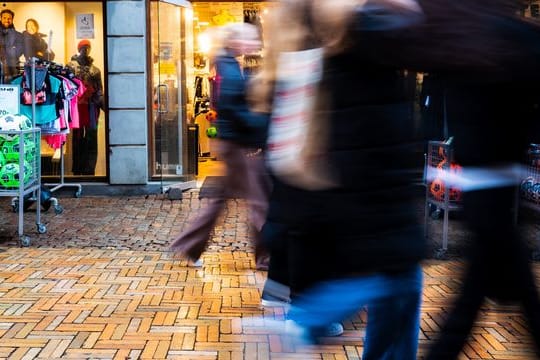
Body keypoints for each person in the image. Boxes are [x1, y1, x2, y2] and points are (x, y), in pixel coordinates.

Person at [251, 0, 426, 357]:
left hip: (344, 194)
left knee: (394, 282)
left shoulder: (302, 56)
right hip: (376, 188)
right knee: (398, 277)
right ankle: (306, 322)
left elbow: (286, 154)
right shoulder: (364, 34)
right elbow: (418, 30)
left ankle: (306, 320)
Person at [170, 23, 271, 270]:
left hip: (233, 141)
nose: (254, 43)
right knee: (259, 200)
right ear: (235, 41)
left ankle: (189, 245)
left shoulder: (229, 64)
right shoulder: (227, 66)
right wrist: (259, 127)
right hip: (236, 144)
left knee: (221, 200)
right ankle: (266, 257)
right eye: (249, 39)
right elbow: (231, 106)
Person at [67, 39, 104, 175]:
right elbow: (67, 87)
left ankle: (89, 170)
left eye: (88, 47)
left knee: (91, 137)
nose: (85, 50)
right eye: (83, 47)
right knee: (77, 138)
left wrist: (102, 104)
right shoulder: (70, 67)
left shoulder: (95, 70)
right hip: (76, 107)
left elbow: (99, 90)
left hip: (91, 107)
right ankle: (77, 169)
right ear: (79, 49)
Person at [0, 9, 23, 82]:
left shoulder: (18, 35)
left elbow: (19, 50)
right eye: (4, 18)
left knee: (12, 89)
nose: (7, 20)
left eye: (9, 18)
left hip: (13, 68)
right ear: (1, 18)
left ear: (12, 19)